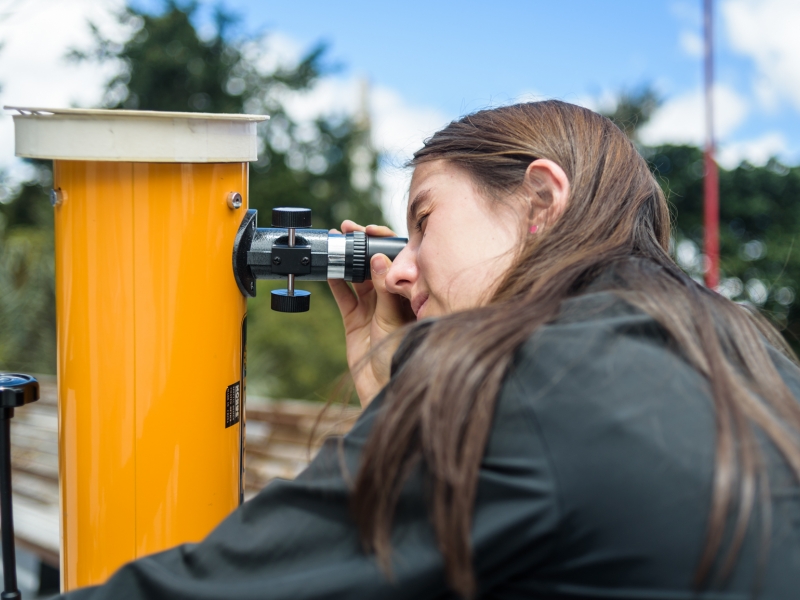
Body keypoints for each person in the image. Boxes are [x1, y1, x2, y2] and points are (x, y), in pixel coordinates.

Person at [61, 101, 800, 599]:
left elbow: (207, 588)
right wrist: (392, 399)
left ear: (543, 201)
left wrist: (426, 391)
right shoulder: (752, 356)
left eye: (423, 220)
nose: (401, 270)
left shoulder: (515, 379)